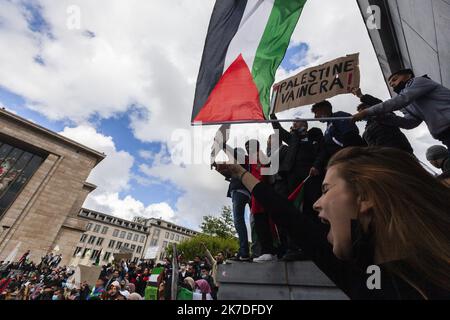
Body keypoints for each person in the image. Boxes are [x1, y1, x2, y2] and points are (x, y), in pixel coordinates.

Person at [218, 147, 450, 299]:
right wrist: (239, 172)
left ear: (364, 197)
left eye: (326, 190)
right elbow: (290, 218)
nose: (317, 203)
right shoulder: (368, 277)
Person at [353, 69, 450, 149]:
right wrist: (379, 117)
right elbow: (410, 122)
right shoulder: (407, 105)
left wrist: (367, 111)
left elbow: (401, 99)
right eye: (391, 85)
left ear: (408, 75)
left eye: (395, 79)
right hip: (444, 134)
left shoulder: (419, 81)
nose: (393, 84)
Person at [311, 100, 364, 176]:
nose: (315, 117)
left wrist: (345, 158)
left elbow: (351, 136)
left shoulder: (339, 116)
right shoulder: (327, 129)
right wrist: (316, 166)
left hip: (351, 160)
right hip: (339, 163)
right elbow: (326, 149)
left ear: (324, 110)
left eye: (316, 113)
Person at [352, 89, 414, 154]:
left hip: (400, 152)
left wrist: (361, 96)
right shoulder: (366, 132)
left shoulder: (384, 116)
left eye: (364, 110)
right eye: (360, 112)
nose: (362, 113)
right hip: (381, 159)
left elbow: (379, 104)